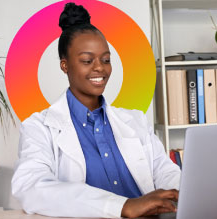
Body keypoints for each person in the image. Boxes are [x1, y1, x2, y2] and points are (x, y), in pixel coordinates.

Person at [11, 2, 181, 218]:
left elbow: (166, 172)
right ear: (65, 65)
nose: (99, 67)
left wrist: (181, 193)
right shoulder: (39, 127)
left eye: (106, 59)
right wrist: (124, 206)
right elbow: (31, 187)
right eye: (87, 60)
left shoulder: (134, 120)